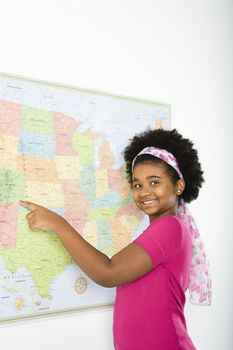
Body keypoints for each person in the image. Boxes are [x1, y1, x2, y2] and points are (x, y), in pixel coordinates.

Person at [20, 128, 211, 350]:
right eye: (137, 184)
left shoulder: (170, 228)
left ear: (179, 186)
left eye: (154, 182)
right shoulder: (161, 230)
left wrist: (57, 223)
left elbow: (108, 272)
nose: (144, 191)